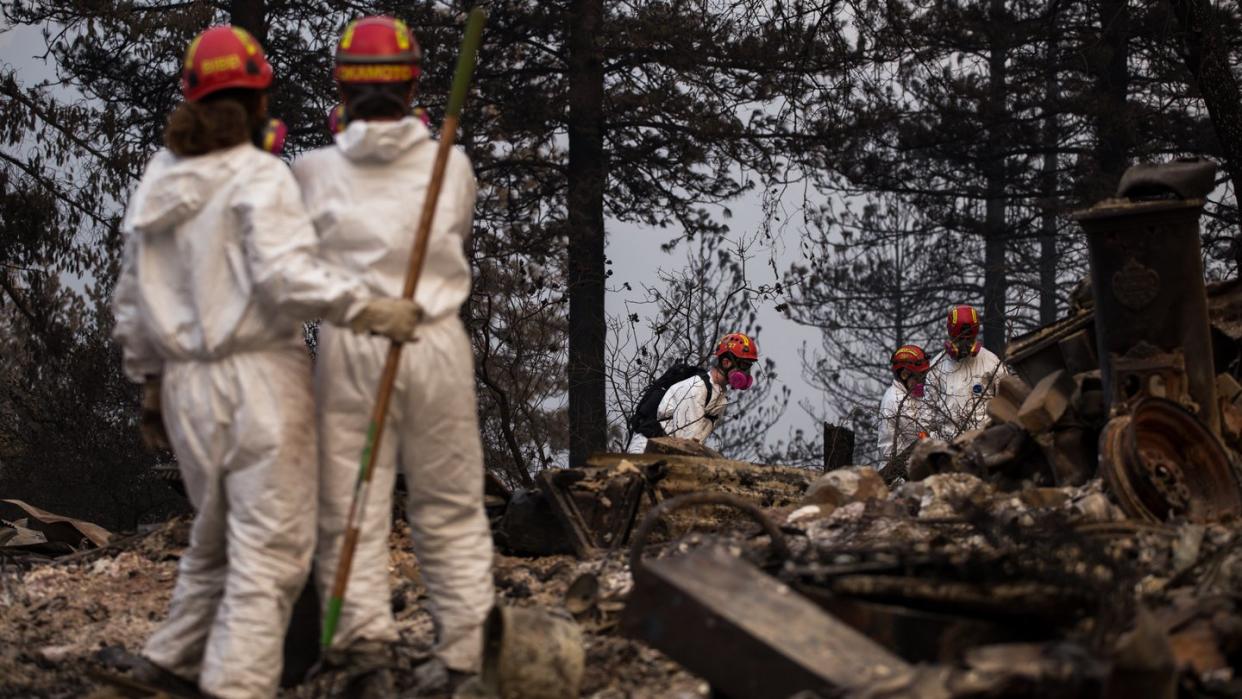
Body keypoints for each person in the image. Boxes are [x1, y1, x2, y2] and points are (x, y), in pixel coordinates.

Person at [110, 25, 422, 699]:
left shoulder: (161, 177)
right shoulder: (261, 177)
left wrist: (150, 383)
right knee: (270, 554)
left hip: (184, 385)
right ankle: (236, 685)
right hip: (258, 380)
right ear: (258, 99)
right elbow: (291, 281)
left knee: (216, 533)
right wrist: (371, 309)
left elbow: (133, 293)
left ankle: (167, 661)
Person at [291, 16, 493, 695]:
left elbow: (301, 271)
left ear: (342, 87)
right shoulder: (451, 165)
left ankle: (363, 651)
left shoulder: (312, 173)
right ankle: (464, 654)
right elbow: (455, 232)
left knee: (353, 504)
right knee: (451, 505)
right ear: (413, 86)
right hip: (435, 338)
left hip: (354, 342)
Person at [626, 332, 759, 454]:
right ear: (726, 362)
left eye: (749, 367)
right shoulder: (697, 388)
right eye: (743, 366)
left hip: (667, 450)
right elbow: (686, 441)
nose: (746, 373)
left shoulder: (720, 398)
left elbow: (696, 442)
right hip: (646, 447)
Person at [926, 304, 1006, 439]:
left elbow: (1006, 402)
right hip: (947, 444)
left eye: (968, 338)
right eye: (959, 338)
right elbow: (926, 413)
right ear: (951, 335)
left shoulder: (992, 363)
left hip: (983, 441)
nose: (964, 344)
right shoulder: (937, 367)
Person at [877, 344, 932, 477]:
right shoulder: (896, 399)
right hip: (896, 473)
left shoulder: (910, 395)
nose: (923, 381)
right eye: (919, 377)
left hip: (910, 467)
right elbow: (921, 434)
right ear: (904, 374)